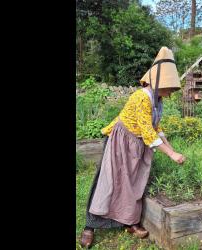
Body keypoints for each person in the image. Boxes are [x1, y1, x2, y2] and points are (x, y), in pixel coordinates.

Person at [80, 47, 186, 248]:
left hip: (137, 145)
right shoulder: (141, 97)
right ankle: (90, 226)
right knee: (108, 181)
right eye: (170, 89)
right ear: (159, 83)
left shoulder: (158, 100)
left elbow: (157, 128)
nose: (171, 94)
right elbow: (148, 132)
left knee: (133, 183)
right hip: (120, 141)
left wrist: (172, 149)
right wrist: (171, 154)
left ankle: (129, 222)